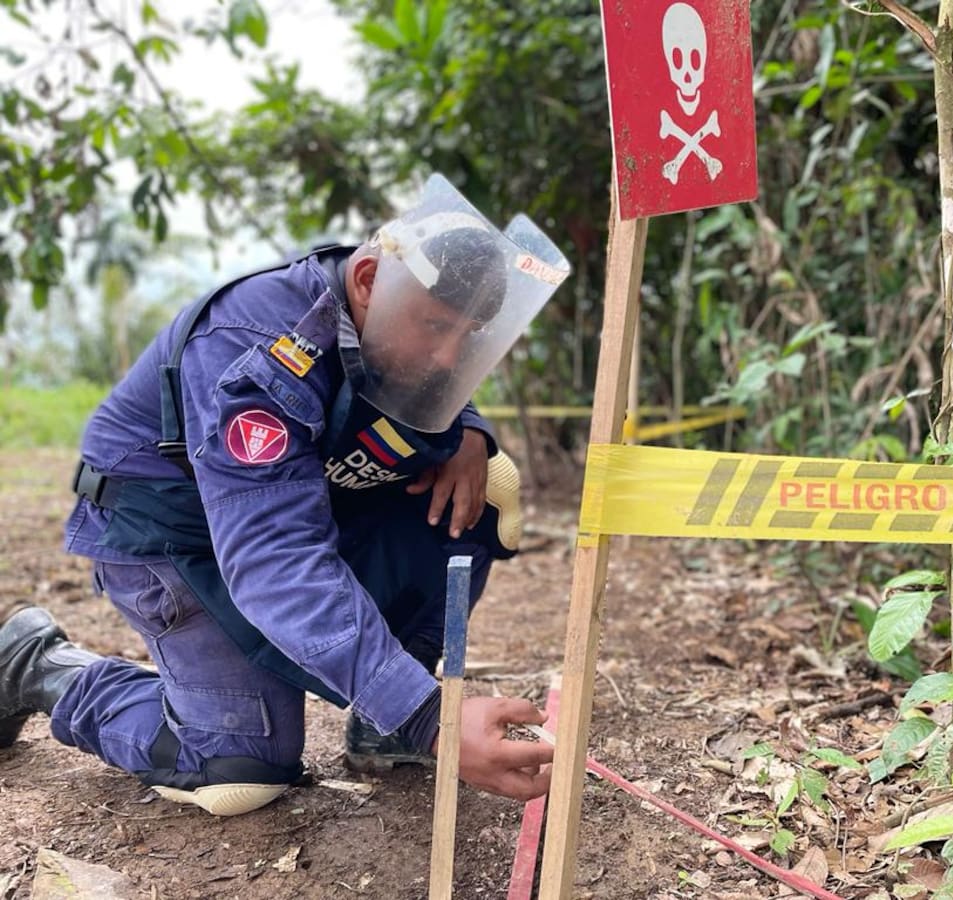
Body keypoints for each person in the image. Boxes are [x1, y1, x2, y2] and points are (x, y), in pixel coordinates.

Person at [0, 175, 568, 816]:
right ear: (368, 281)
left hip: (282, 504)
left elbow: (425, 389)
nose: (446, 358)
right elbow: (274, 557)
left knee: (486, 484)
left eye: (466, 337)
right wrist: (431, 717)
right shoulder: (258, 355)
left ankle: (382, 718)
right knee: (237, 770)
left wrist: (469, 429)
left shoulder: (384, 325)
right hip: (170, 528)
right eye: (436, 326)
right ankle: (39, 665)